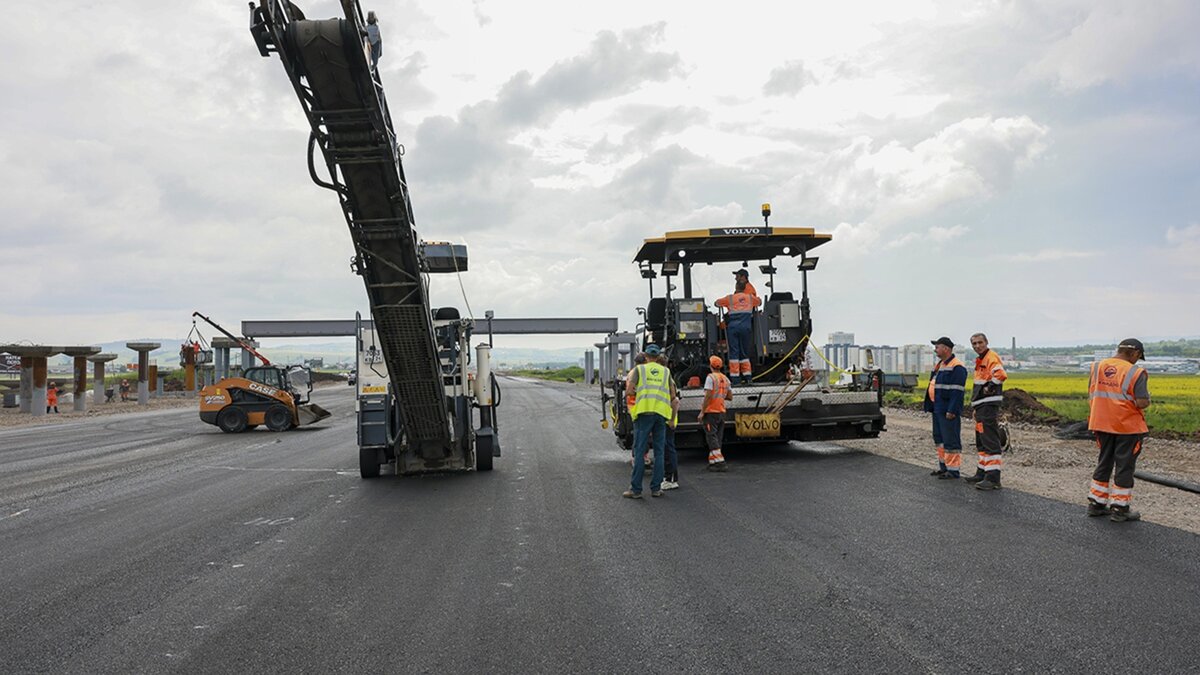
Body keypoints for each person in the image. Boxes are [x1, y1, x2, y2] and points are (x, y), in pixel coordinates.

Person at [1086, 339, 1151, 522]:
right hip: (1127, 426)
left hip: (1100, 423)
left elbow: (1093, 393)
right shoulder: (1136, 372)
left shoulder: (1097, 367)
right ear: (1135, 353)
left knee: (1104, 461)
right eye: (1138, 357)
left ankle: (1096, 504)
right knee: (1124, 465)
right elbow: (1141, 402)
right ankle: (1120, 509)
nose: (1137, 361)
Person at [623, 344, 677, 499]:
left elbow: (629, 391)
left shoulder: (640, 370)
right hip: (661, 414)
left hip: (644, 413)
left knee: (640, 451)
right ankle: (656, 488)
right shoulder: (666, 372)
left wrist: (641, 391)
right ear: (659, 356)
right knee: (659, 452)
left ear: (645, 356)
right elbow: (672, 395)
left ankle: (636, 490)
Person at [966, 333, 1008, 490]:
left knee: (990, 440)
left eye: (980, 343)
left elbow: (1001, 375)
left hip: (988, 406)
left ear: (986, 342)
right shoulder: (981, 359)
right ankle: (982, 472)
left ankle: (993, 478)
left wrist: (990, 386)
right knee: (981, 440)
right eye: (974, 344)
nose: (977, 346)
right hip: (981, 406)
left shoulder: (990, 357)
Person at [924, 337, 967, 479]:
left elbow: (957, 392)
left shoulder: (957, 367)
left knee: (950, 440)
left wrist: (952, 410)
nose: (935, 349)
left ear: (946, 349)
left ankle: (953, 470)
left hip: (947, 410)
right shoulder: (940, 365)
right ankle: (944, 467)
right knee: (939, 438)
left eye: (937, 347)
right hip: (937, 408)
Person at [715, 280, 762, 384]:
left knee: (734, 352)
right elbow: (759, 302)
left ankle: (735, 379)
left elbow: (717, 303)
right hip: (746, 328)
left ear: (736, 287)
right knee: (745, 353)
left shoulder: (730, 298)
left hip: (733, 329)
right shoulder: (750, 298)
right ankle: (748, 377)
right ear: (745, 288)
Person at [698, 355, 733, 471]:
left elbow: (708, 396)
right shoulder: (725, 378)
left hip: (711, 411)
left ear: (710, 366)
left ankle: (720, 462)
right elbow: (730, 396)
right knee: (717, 437)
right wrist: (721, 396)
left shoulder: (710, 378)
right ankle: (713, 462)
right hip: (721, 411)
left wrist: (702, 412)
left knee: (711, 436)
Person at [661, 388, 681, 490]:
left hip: (668, 422)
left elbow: (675, 401)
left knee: (668, 449)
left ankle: (671, 479)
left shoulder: (668, 381)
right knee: (666, 449)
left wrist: (672, 420)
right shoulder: (667, 380)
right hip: (666, 421)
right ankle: (668, 477)